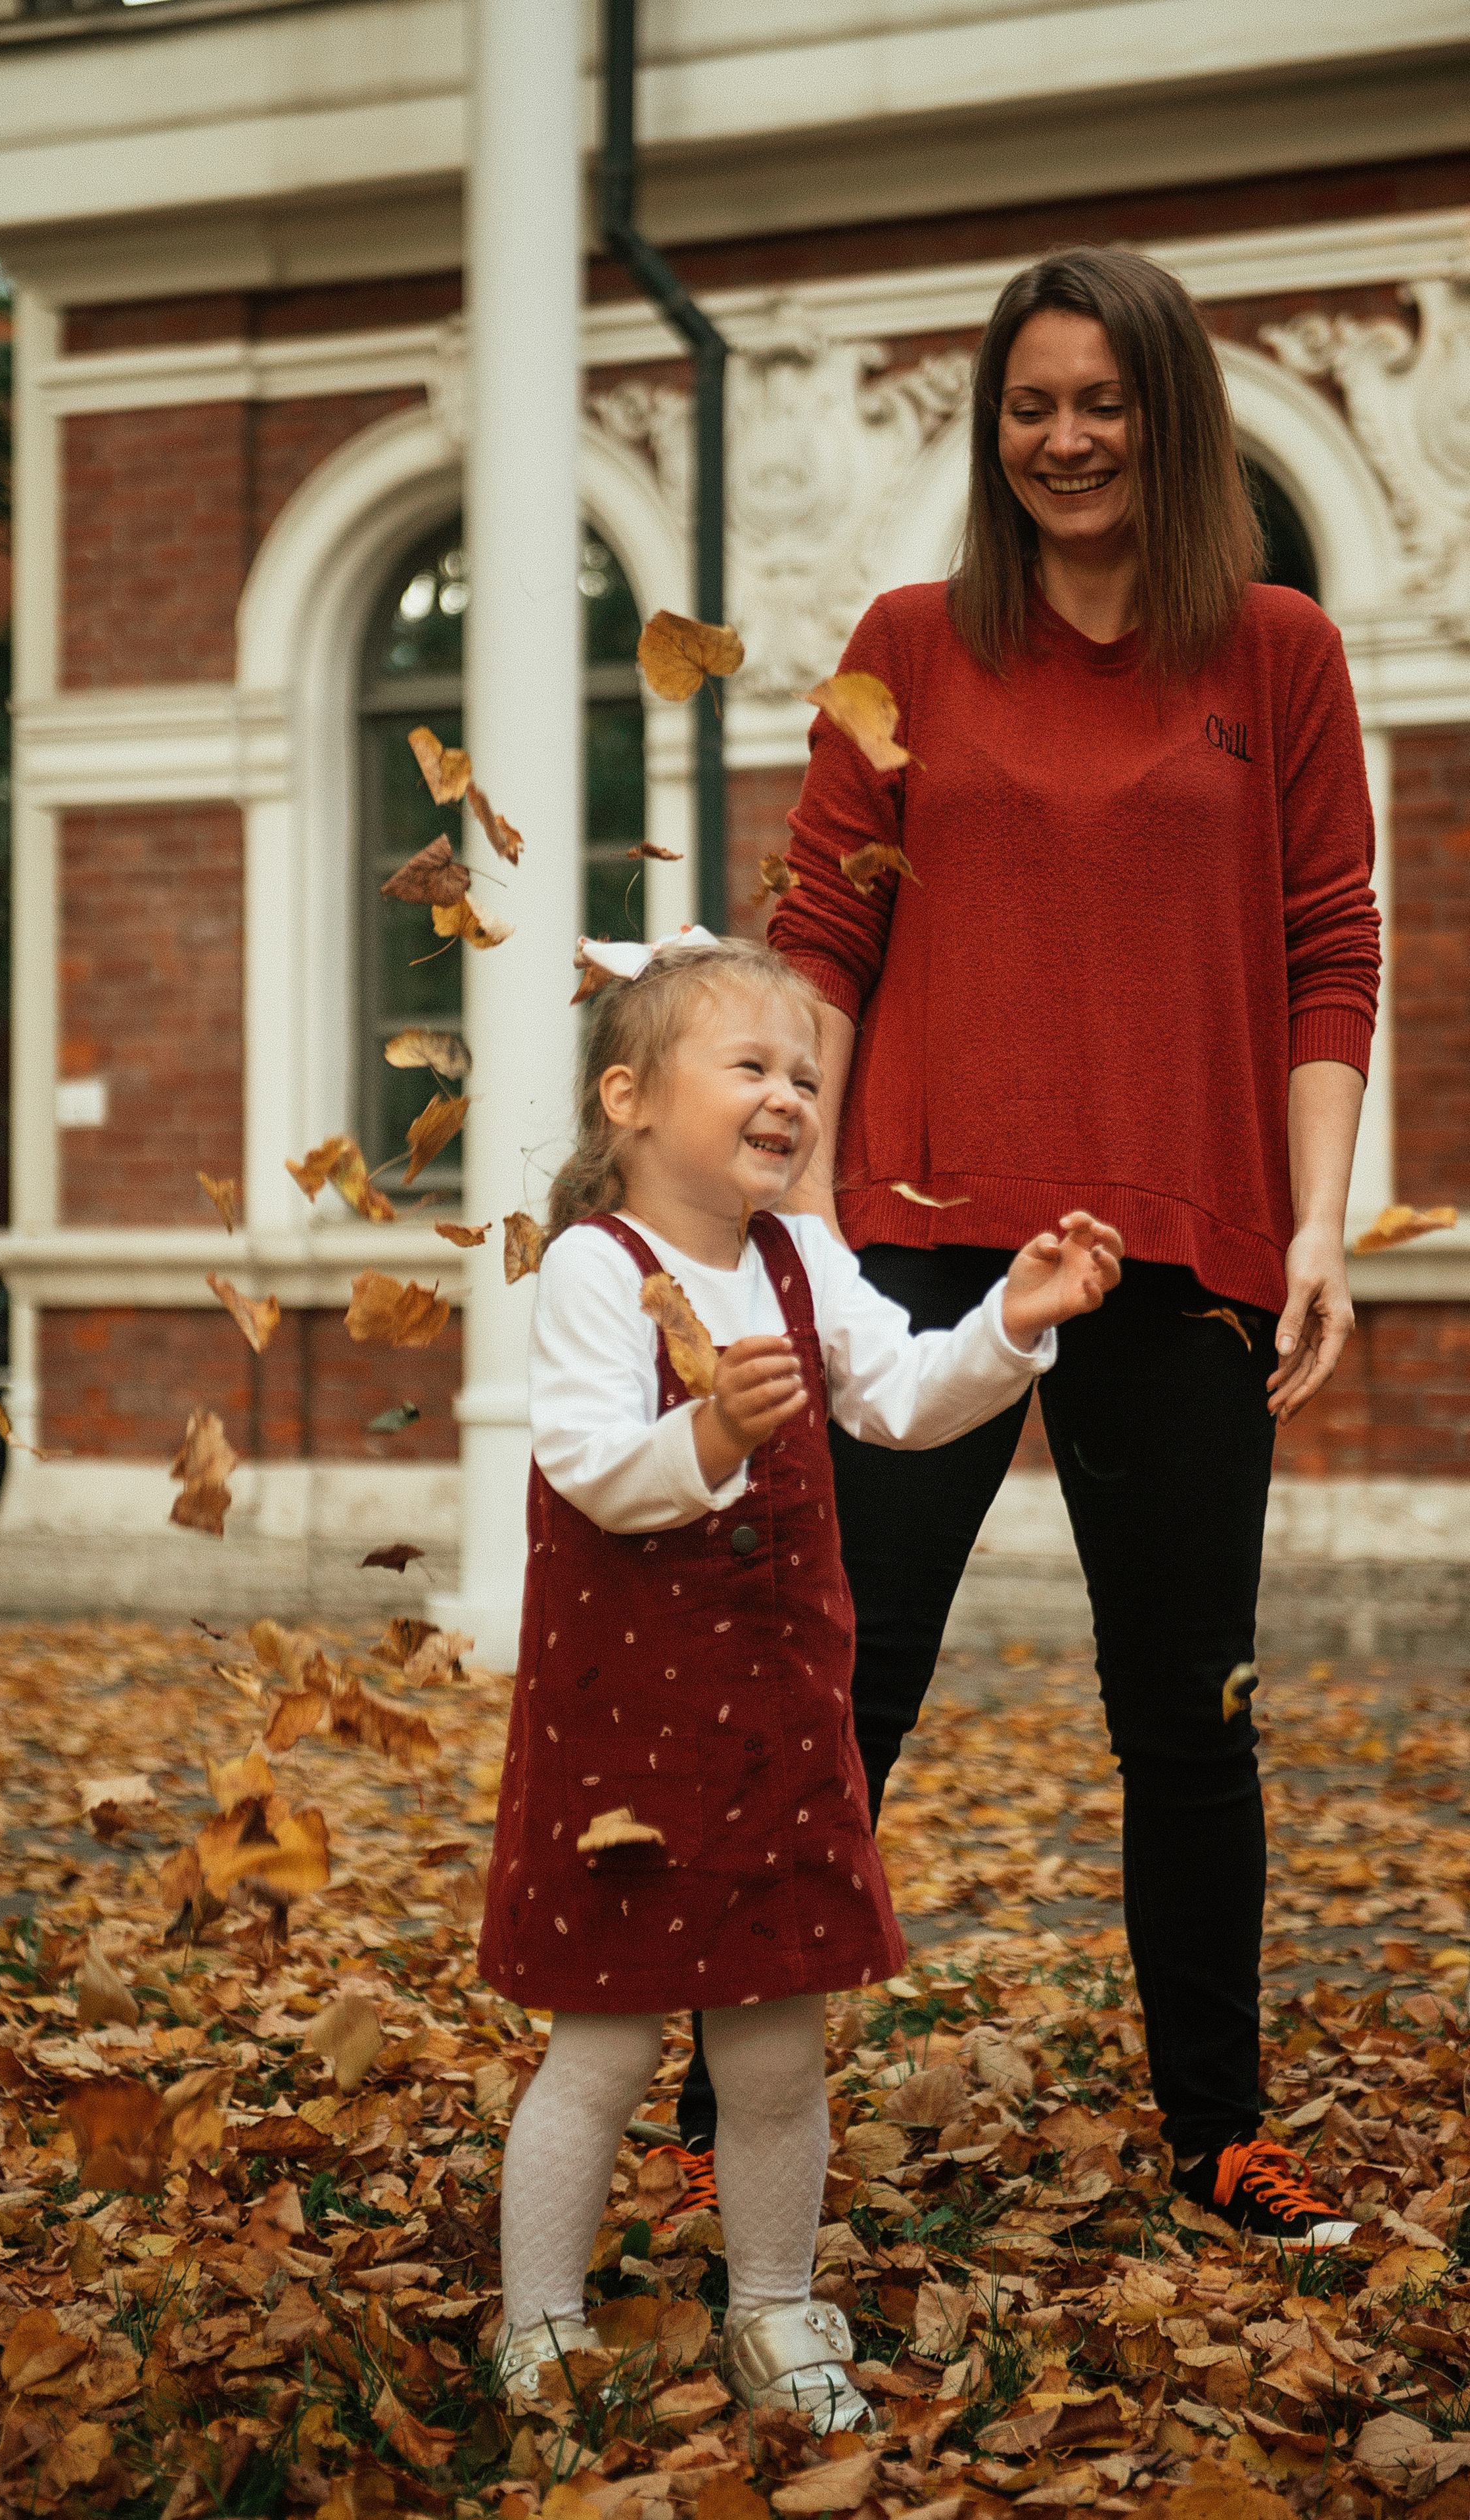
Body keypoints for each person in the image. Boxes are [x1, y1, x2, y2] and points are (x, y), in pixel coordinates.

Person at [720, 244, 1375, 2247]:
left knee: (1189, 1703)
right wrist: (783, 1181)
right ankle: (713, 2112)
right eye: (1031, 404)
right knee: (858, 1681)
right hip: (917, 1233)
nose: (1066, 438)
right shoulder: (911, 640)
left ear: (1169, 420)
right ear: (995, 428)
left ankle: (1220, 2128)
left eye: (1102, 402)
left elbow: (1329, 949)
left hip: (1188, 1243)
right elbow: (828, 929)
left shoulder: (1277, 651)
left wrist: (1321, 1223)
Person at [477, 929, 1121, 2426]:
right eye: (751, 1066)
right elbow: (588, 1472)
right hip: (625, 1736)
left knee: (774, 2047)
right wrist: (707, 1439)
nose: (787, 1096)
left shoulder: (800, 1254)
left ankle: (771, 2306)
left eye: (804, 1075)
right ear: (629, 1098)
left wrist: (1008, 1327)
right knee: (604, 2045)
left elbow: (896, 1397)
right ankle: (541, 2321)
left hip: (773, 1723)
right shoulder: (594, 1268)